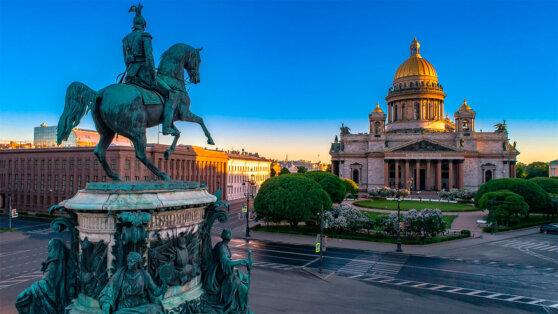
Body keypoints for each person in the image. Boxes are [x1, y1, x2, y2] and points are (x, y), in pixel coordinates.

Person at [123, 4, 180, 136]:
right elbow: (149, 56)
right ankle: (166, 128)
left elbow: (125, 60)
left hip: (131, 74)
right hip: (144, 74)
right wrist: (152, 74)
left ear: (134, 25)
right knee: (171, 93)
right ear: (144, 25)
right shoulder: (145, 36)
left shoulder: (126, 40)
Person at [15, 239, 75, 314]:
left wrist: (34, 287)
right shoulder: (59, 261)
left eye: (50, 248)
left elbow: (48, 283)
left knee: (21, 298)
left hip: (50, 293)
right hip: (53, 292)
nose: (49, 251)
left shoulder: (54, 263)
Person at [99, 252, 168, 314]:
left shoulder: (144, 274)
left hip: (142, 305)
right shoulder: (120, 274)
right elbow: (108, 291)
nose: (129, 263)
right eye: (128, 261)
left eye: (132, 261)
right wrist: (106, 304)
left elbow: (155, 291)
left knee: (154, 309)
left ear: (137, 263)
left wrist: (162, 289)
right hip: (125, 307)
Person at [203, 229, 251, 313]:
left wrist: (244, 262)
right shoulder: (221, 247)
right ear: (229, 238)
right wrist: (242, 261)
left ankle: (241, 307)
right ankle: (239, 307)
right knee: (240, 286)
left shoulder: (224, 246)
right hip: (218, 273)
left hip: (224, 271)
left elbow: (227, 264)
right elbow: (226, 264)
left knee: (246, 279)